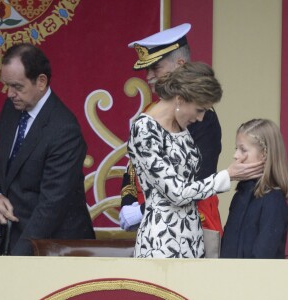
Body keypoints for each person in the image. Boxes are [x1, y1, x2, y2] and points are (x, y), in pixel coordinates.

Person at [127, 61, 264, 258]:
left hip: (193, 239)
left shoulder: (180, 127)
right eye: (199, 110)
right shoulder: (144, 129)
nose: (200, 119)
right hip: (161, 244)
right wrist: (227, 175)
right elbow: (176, 193)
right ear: (180, 99)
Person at [0, 43, 95, 255]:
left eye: (17, 87)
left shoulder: (64, 129)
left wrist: (16, 260)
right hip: (16, 241)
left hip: (55, 250)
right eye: (7, 85)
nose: (9, 94)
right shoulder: (12, 108)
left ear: (41, 82)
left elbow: (50, 207)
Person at [120, 23, 223, 235]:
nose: (148, 76)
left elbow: (197, 181)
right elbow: (133, 168)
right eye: (147, 69)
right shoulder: (149, 112)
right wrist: (128, 204)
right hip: (151, 227)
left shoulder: (202, 117)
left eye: (155, 68)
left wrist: (141, 210)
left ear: (180, 64)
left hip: (191, 227)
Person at [221, 119, 288, 259]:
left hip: (254, 279)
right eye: (236, 149)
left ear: (264, 154)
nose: (236, 155)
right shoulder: (240, 196)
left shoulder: (273, 200)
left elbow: (263, 256)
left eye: (243, 149)